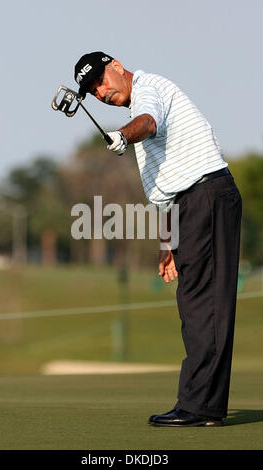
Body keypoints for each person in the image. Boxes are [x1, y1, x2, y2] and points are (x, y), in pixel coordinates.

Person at [74, 51, 242, 427]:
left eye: (100, 81)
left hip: (206, 197)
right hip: (192, 205)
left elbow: (147, 123)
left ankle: (200, 407)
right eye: (91, 91)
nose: (99, 93)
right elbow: (165, 190)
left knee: (204, 305)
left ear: (116, 66)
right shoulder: (141, 104)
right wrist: (168, 243)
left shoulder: (149, 89)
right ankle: (203, 406)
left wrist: (121, 135)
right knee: (195, 304)